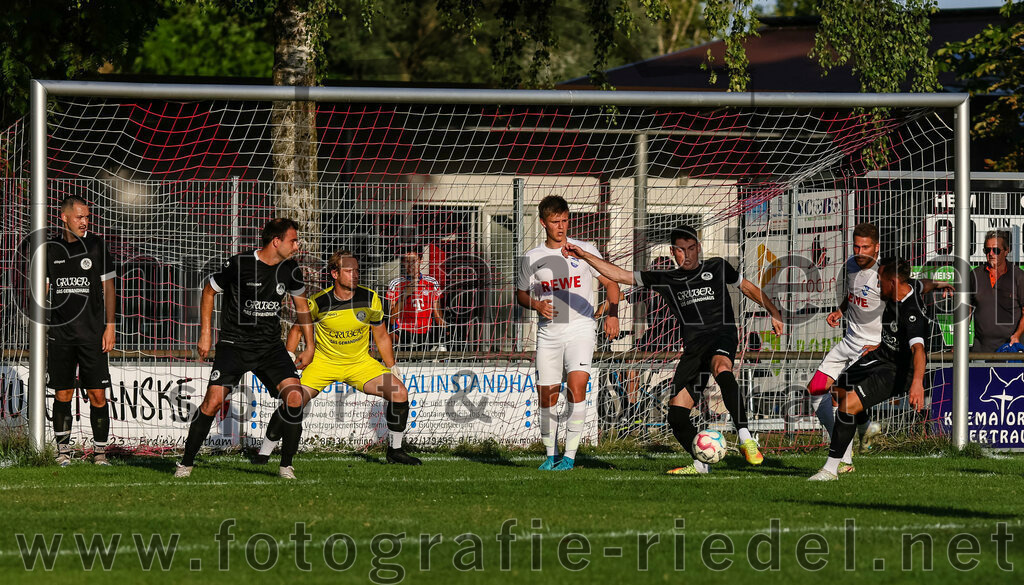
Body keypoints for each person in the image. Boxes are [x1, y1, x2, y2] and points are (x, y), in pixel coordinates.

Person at [563, 224, 785, 475]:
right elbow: (619, 275)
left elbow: (747, 287)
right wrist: (585, 255)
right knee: (677, 415)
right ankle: (701, 464)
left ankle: (746, 437)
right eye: (681, 250)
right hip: (693, 348)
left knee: (722, 367)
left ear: (698, 248)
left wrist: (774, 311)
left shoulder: (717, 266)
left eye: (692, 248)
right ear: (673, 252)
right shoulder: (667, 279)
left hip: (721, 334)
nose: (688, 255)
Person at [175, 218, 315, 479]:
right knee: (212, 402)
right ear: (277, 242)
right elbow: (208, 291)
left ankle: (286, 465)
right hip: (234, 345)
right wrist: (205, 334)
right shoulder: (239, 264)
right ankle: (186, 462)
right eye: (293, 240)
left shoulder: (291, 269)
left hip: (270, 347)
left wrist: (310, 345)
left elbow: (302, 306)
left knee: (295, 398)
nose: (297, 246)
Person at [256, 249, 421, 467]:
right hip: (324, 364)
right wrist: (288, 357)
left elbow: (381, 336)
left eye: (357, 270)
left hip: (360, 364)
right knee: (292, 401)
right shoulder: (319, 302)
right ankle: (264, 453)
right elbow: (297, 330)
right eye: (348, 270)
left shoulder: (369, 298)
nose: (355, 274)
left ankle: (395, 452)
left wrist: (391, 366)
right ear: (335, 274)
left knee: (399, 393)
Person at [807, 223, 951, 472]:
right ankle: (865, 430)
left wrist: (916, 381)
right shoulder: (852, 265)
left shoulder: (884, 275)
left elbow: (913, 290)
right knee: (823, 391)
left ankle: (842, 461)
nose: (860, 252)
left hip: (873, 349)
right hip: (852, 341)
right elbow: (857, 294)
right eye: (856, 246)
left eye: (865, 247)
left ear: (877, 248)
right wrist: (840, 311)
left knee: (847, 404)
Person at [516, 195, 620, 471]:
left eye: (564, 220)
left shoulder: (585, 250)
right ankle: (551, 456)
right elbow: (521, 295)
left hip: (581, 329)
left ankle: (570, 457)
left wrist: (612, 314)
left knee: (577, 388)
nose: (561, 227)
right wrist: (536, 304)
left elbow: (611, 284)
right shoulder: (532, 257)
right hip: (549, 334)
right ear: (543, 223)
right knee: (547, 395)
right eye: (555, 222)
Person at [46, 196, 116, 466]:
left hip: (92, 334)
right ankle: (63, 452)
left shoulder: (96, 246)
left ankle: (100, 453)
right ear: (64, 217)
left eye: (87, 217)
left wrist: (110, 326)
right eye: (80, 217)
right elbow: (42, 290)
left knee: (97, 394)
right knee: (63, 393)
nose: (85, 222)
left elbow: (109, 288)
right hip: (61, 335)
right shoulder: (51, 249)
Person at [970, 230, 1024, 353]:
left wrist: (1017, 335)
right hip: (981, 349)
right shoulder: (974, 276)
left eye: (996, 250)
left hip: (1011, 349)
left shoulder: (1019, 277)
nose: (991, 254)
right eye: (987, 250)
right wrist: (958, 342)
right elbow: (966, 311)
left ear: (1006, 251)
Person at [386, 248, 445, 352]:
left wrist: (444, 334)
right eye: (407, 261)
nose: (410, 265)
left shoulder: (432, 283)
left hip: (425, 334)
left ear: (421, 260)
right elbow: (391, 318)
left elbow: (437, 315)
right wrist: (405, 295)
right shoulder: (395, 284)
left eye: (414, 261)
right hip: (402, 333)